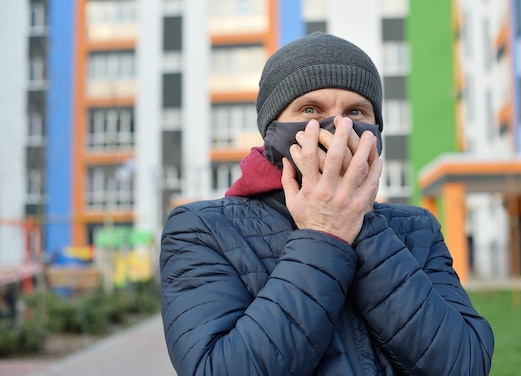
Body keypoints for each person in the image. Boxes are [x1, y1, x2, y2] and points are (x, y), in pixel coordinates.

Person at [160, 32, 494, 375]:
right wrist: (324, 233)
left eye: (356, 111)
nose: (339, 126)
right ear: (272, 126)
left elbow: (465, 364)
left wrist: (364, 227)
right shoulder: (202, 230)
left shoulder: (418, 229)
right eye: (309, 109)